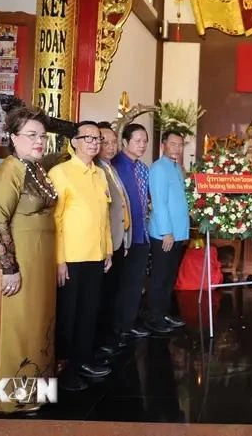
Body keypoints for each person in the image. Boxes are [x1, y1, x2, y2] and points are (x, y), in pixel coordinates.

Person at [0, 107, 57, 413]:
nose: (39, 141)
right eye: (31, 135)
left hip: (39, 264)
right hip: (17, 262)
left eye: (42, 136)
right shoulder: (7, 172)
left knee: (36, 324)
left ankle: (33, 392)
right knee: (17, 326)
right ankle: (7, 398)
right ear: (13, 138)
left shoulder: (35, 168)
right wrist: (9, 269)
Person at [49, 121, 113, 391]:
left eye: (97, 138)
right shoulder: (60, 172)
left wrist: (108, 249)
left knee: (90, 312)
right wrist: (59, 259)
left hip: (96, 255)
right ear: (74, 142)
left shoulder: (99, 173)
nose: (93, 142)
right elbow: (55, 219)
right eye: (87, 138)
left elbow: (104, 216)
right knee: (69, 314)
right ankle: (65, 370)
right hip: (71, 257)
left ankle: (84, 360)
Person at [95, 122, 148, 357]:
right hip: (113, 240)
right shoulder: (111, 166)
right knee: (116, 288)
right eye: (137, 140)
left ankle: (125, 325)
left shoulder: (134, 167)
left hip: (134, 235)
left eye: (112, 142)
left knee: (132, 284)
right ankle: (116, 330)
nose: (109, 146)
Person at [110, 123, 153, 342]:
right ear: (125, 142)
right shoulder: (115, 166)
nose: (142, 144)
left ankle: (130, 321)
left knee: (136, 282)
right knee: (122, 283)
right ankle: (120, 326)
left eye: (145, 140)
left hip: (141, 233)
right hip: (124, 237)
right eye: (137, 140)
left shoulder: (143, 168)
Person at [147, 130, 190, 334]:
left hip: (178, 232)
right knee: (160, 277)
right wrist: (166, 232)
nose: (177, 148)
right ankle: (154, 318)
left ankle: (163, 313)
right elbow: (159, 203)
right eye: (173, 144)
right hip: (165, 234)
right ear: (163, 145)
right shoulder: (158, 169)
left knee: (170, 277)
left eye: (180, 145)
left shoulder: (176, 168)